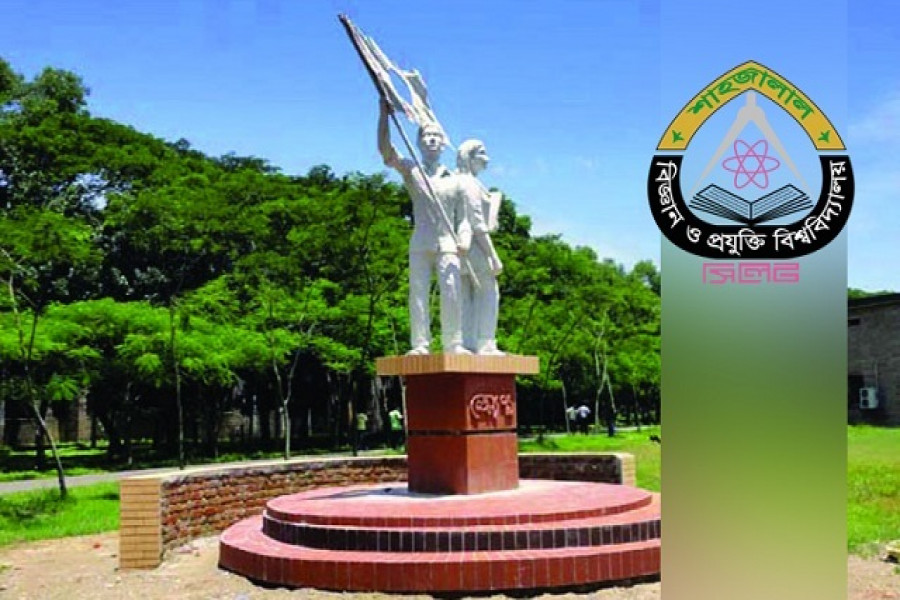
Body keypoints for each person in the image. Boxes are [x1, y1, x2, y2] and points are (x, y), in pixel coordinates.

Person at [378, 99, 471, 355]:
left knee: (451, 293)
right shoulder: (412, 170)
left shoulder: (456, 180)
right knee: (418, 294)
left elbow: (464, 218)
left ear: (443, 143)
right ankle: (420, 344)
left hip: (448, 243)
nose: (431, 139)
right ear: (418, 142)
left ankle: (453, 343)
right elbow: (386, 152)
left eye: (436, 135)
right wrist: (384, 116)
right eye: (426, 135)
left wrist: (464, 238)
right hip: (421, 241)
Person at [456, 139, 504, 355]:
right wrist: (493, 255)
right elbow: (476, 223)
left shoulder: (458, 181)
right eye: (481, 154)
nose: (487, 159)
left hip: (461, 249)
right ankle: (485, 342)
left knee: (465, 297)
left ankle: (468, 341)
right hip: (475, 248)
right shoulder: (470, 184)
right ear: (469, 157)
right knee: (488, 294)